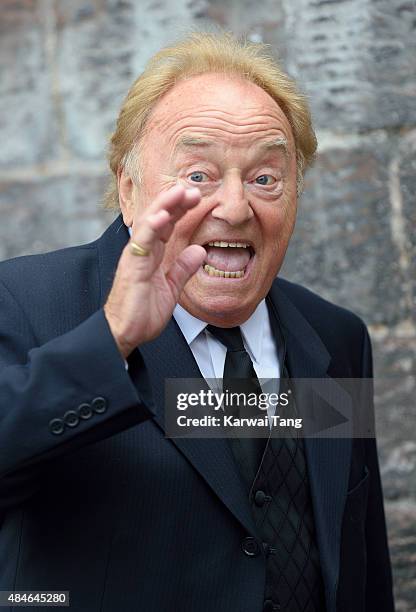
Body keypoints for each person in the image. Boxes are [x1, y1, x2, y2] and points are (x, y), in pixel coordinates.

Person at [0, 32, 394, 612]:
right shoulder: (25, 300)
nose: (234, 207)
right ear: (128, 190)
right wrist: (111, 340)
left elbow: (357, 560)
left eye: (265, 178)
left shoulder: (334, 337)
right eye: (198, 175)